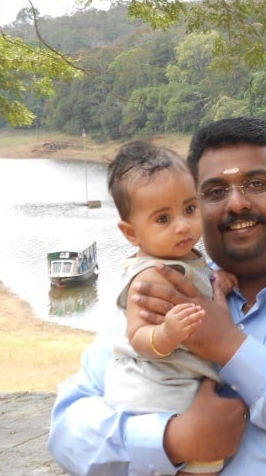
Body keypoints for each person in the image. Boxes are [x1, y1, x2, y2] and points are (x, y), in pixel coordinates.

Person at [49, 117, 266, 476]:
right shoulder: (157, 292)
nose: (236, 204)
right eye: (214, 192)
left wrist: (230, 346)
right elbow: (68, 433)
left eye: (257, 183)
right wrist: (171, 440)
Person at [104, 140, 234, 476]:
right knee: (202, 461)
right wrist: (165, 333)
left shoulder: (182, 258)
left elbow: (199, 278)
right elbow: (137, 336)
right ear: (132, 233)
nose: (183, 225)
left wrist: (218, 281)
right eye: (163, 218)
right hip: (155, 397)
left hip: (181, 392)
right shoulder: (151, 278)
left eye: (190, 209)